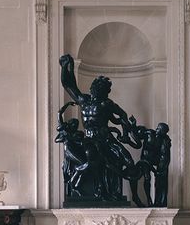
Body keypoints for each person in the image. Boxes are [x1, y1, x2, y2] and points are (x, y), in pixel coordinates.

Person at [59, 54, 142, 204]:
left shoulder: (107, 104)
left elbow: (123, 116)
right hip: (90, 139)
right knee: (94, 159)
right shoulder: (84, 101)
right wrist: (66, 67)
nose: (96, 91)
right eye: (96, 88)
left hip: (106, 139)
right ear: (92, 88)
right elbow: (68, 85)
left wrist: (125, 133)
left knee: (129, 160)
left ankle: (135, 197)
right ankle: (93, 187)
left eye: (101, 89)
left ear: (105, 92)